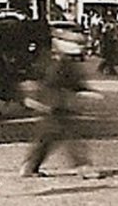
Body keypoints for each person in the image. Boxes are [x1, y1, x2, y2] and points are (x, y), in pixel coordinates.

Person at [20, 29, 104, 179]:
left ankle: (30, 166)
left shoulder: (57, 60)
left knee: (47, 137)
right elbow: (66, 82)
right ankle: (83, 166)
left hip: (52, 104)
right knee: (69, 135)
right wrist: (84, 90)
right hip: (54, 104)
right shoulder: (61, 63)